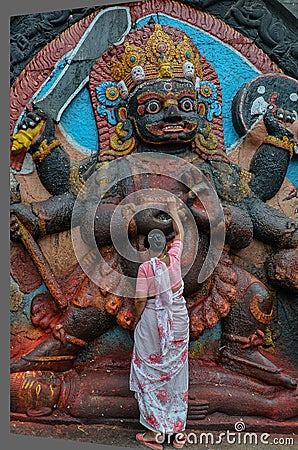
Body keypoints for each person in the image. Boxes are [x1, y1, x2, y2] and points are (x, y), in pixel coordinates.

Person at [129, 197, 189, 450]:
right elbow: (180, 234)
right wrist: (174, 210)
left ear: (146, 249)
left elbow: (141, 300)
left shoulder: (146, 269)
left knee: (150, 373)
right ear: (165, 247)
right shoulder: (174, 259)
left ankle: (156, 434)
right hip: (179, 319)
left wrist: (136, 320)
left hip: (154, 321)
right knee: (176, 372)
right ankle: (177, 432)